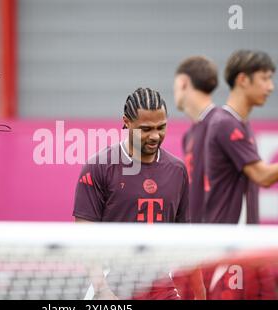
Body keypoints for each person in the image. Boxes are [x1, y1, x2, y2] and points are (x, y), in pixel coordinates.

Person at [73, 88, 195, 299]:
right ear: (126, 122)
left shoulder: (178, 170)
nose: (155, 136)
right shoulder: (100, 166)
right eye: (146, 129)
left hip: (161, 284)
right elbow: (85, 237)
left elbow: (185, 237)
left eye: (161, 127)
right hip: (112, 283)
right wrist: (103, 290)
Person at [204, 50, 278, 223]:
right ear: (242, 79)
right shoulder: (225, 124)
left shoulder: (240, 123)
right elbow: (263, 176)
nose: (271, 87)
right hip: (226, 240)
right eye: (264, 78)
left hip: (238, 239)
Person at [173, 56, 220, 222]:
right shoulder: (190, 135)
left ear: (183, 83)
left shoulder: (222, 124)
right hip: (199, 234)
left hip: (223, 237)